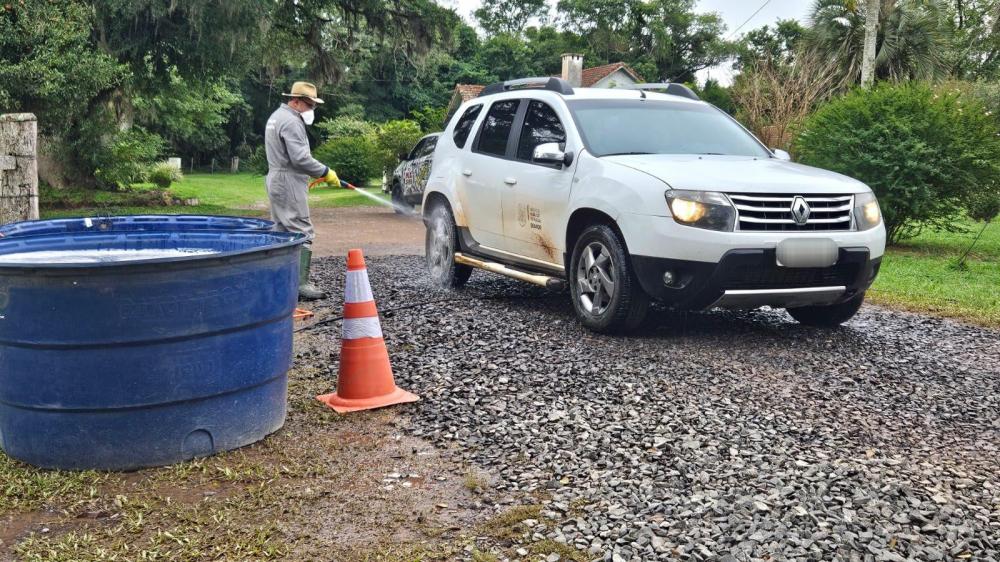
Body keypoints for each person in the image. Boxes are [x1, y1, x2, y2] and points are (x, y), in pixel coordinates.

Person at [264, 81, 342, 300]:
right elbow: (300, 158)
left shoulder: (276, 116)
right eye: (309, 105)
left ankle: (281, 282)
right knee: (301, 229)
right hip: (288, 179)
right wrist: (325, 171)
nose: (312, 110)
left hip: (276, 177)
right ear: (296, 101)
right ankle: (300, 286)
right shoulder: (291, 121)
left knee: (281, 230)